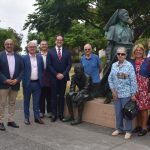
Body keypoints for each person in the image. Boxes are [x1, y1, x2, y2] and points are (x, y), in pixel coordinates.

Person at [100, 9, 134, 103]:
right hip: (116, 54)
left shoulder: (129, 29)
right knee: (112, 74)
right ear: (120, 16)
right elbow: (109, 45)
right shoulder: (113, 28)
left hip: (127, 54)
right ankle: (108, 94)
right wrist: (108, 58)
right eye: (125, 14)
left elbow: (131, 42)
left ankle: (124, 93)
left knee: (125, 75)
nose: (128, 16)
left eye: (128, 14)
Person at [108, 47, 137, 139]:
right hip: (116, 94)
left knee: (127, 112)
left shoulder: (129, 66)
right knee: (118, 113)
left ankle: (128, 130)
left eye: (122, 54)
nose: (120, 55)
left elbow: (133, 80)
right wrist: (113, 91)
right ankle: (119, 128)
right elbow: (110, 79)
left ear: (126, 55)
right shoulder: (114, 65)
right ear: (116, 55)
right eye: (119, 54)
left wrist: (133, 94)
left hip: (126, 94)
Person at [46, 35, 72, 122]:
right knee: (53, 96)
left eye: (61, 40)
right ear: (55, 41)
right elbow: (48, 65)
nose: (59, 41)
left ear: (63, 41)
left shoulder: (67, 52)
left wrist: (63, 74)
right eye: (58, 40)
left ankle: (61, 114)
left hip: (63, 78)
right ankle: (54, 114)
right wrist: (56, 74)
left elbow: (69, 65)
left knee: (61, 96)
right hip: (53, 78)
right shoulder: (50, 52)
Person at [0, 39, 24, 131]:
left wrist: (17, 80)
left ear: (13, 45)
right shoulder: (0, 55)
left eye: (11, 44)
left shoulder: (19, 57)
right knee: (1, 103)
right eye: (7, 44)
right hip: (2, 84)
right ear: (4, 45)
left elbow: (23, 70)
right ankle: (0, 121)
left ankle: (10, 120)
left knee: (12, 103)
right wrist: (5, 80)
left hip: (15, 84)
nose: (9, 45)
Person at [22, 41, 44, 125]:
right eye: (30, 47)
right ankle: (26, 118)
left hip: (37, 84)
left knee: (36, 102)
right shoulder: (24, 58)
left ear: (36, 48)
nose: (32, 48)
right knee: (26, 101)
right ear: (28, 48)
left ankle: (37, 117)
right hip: (27, 83)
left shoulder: (39, 57)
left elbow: (41, 69)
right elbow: (22, 70)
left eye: (34, 47)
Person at [130, 44, 150, 136]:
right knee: (137, 108)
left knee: (144, 109)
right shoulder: (131, 62)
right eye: (136, 50)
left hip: (144, 88)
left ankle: (144, 127)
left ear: (143, 51)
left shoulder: (147, 61)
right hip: (134, 88)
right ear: (134, 52)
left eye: (140, 50)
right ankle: (138, 126)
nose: (138, 51)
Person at [38, 40, 51, 118]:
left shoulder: (51, 54)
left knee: (49, 96)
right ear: (40, 46)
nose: (44, 46)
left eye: (45, 44)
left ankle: (49, 111)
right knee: (41, 96)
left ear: (47, 46)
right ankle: (41, 111)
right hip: (41, 78)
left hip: (49, 77)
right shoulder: (37, 55)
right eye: (42, 44)